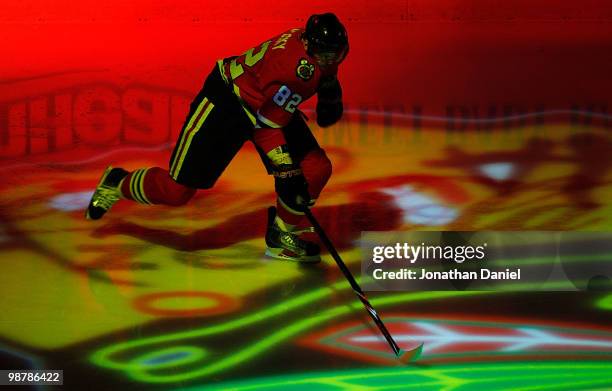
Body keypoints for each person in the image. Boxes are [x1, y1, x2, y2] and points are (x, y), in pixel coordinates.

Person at [85, 13, 349, 263]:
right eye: (324, 55)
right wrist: (287, 171)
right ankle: (116, 183)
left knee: (316, 169)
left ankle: (281, 235)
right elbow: (266, 129)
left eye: (335, 54)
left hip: (265, 105)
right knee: (177, 191)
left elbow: (320, 73)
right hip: (226, 105)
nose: (330, 60)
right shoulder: (296, 70)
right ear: (305, 43)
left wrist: (330, 93)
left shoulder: (314, 54)